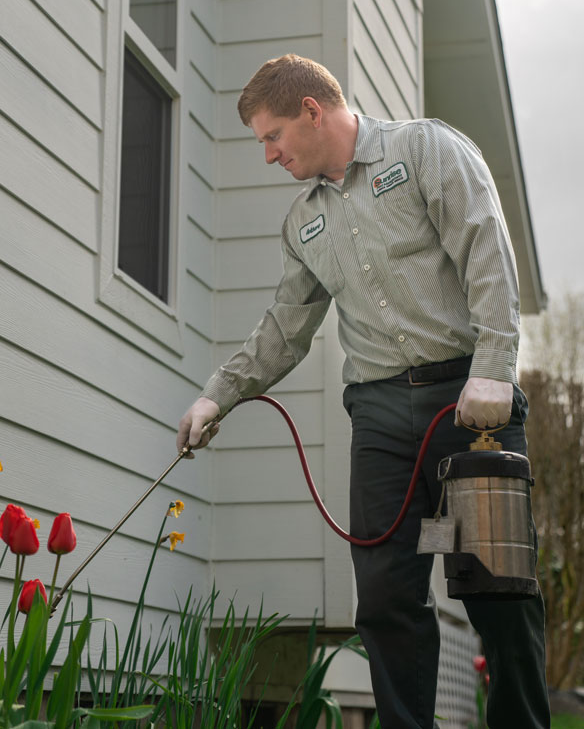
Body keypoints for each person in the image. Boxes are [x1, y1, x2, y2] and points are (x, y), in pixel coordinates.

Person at [176, 54, 550, 729]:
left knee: (497, 593)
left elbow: (487, 250)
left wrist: (494, 365)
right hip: (379, 417)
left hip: (470, 405)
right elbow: (285, 327)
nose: (268, 154)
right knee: (384, 596)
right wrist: (217, 396)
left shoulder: (426, 150)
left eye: (272, 136)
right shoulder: (304, 222)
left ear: (312, 111)